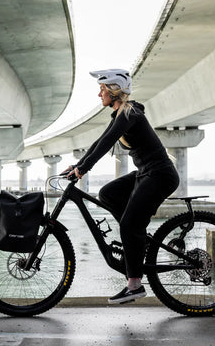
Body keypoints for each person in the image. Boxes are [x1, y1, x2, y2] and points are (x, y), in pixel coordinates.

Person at [65, 69, 179, 304]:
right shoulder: (120, 114)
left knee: (129, 224)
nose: (99, 94)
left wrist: (83, 169)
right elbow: (100, 140)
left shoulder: (130, 112)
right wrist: (77, 165)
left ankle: (135, 285)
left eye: (102, 89)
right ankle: (136, 240)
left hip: (160, 175)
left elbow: (106, 143)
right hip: (145, 173)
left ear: (114, 90)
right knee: (107, 194)